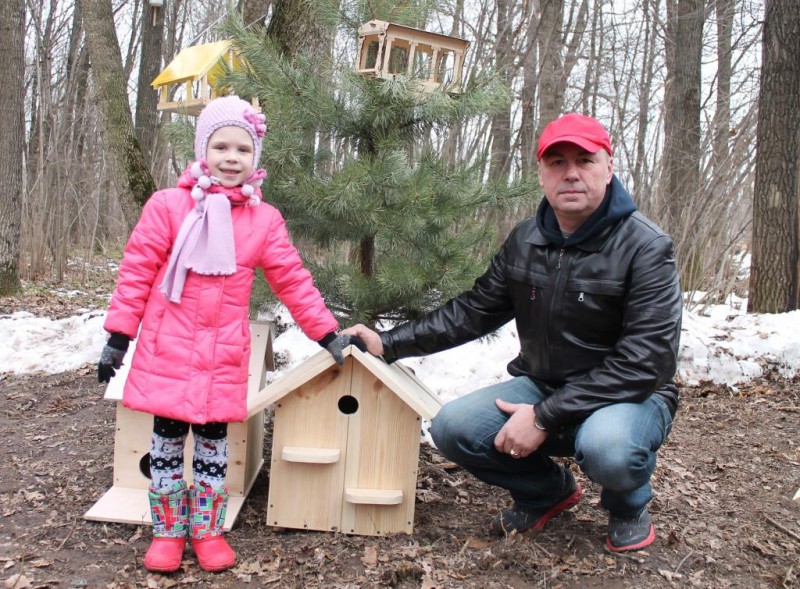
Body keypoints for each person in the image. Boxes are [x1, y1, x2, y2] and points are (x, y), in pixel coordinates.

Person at [343, 113, 682, 552]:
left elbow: (646, 362)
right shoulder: (526, 240)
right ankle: (547, 492)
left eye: (585, 160)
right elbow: (474, 311)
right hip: (544, 384)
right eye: (557, 162)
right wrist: (389, 343)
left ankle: (627, 504)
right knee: (453, 427)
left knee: (609, 449)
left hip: (629, 396)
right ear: (541, 173)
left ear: (608, 167)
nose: (571, 173)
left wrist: (543, 416)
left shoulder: (646, 246)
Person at [97, 96, 359, 573]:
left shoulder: (264, 220)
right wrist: (118, 335)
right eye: (221, 147)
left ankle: (207, 530)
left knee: (214, 446)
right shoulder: (168, 206)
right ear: (203, 149)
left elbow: (292, 279)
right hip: (168, 347)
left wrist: (325, 332)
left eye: (243, 149)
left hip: (221, 354)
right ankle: (168, 531)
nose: (232, 158)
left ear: (255, 158)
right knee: (166, 443)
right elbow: (136, 272)